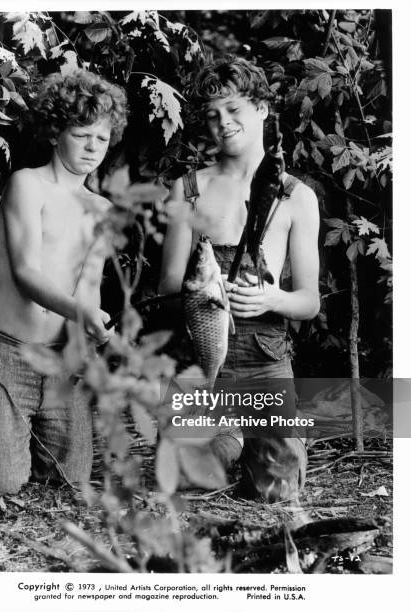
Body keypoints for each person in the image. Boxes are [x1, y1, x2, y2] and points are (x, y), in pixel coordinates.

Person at [159, 56, 320, 502]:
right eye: (212, 115)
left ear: (263, 109)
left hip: (264, 360)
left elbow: (309, 301)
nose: (222, 123)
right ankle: (227, 434)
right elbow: (168, 286)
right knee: (185, 482)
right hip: (200, 354)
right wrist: (203, 291)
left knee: (276, 493)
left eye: (234, 110)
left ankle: (278, 436)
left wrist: (272, 298)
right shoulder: (188, 188)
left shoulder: (296, 197)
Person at [0, 69, 127, 494]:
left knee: (71, 480)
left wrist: (91, 341)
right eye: (82, 134)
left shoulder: (103, 210)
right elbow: (26, 273)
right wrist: (83, 311)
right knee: (1, 482)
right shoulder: (28, 184)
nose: (94, 147)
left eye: (103, 138)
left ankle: (31, 432)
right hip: (8, 350)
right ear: (56, 132)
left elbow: (87, 287)